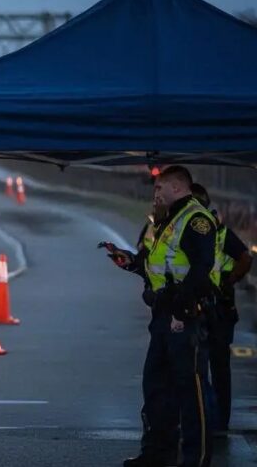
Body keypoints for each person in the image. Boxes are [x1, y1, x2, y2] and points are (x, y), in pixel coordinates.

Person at [114, 166, 216, 467]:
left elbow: (201, 269)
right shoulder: (167, 220)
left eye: (160, 188)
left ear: (177, 187)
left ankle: (195, 460)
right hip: (162, 316)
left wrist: (179, 305)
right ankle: (157, 454)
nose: (155, 193)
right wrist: (131, 263)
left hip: (183, 317)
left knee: (190, 392)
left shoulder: (196, 220)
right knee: (156, 387)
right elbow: (158, 265)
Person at [191, 183, 253, 435]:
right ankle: (204, 417)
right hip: (201, 307)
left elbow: (245, 257)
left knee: (217, 366)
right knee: (199, 366)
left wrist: (229, 281)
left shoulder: (219, 233)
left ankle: (218, 422)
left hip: (220, 309)